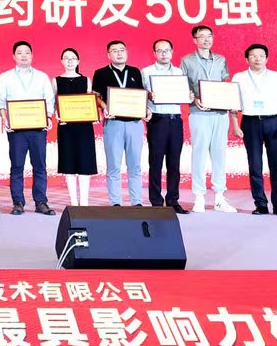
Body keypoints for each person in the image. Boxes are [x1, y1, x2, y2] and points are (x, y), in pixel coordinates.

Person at [232, 43, 277, 216]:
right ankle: (260, 204)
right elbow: (233, 104)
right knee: (255, 165)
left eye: (261, 56)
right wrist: (235, 125)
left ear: (267, 58)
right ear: (247, 59)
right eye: (253, 56)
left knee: (276, 164)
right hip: (250, 122)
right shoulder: (239, 77)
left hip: (273, 122)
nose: (257, 59)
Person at [180, 24, 236, 213]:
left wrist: (228, 100)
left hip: (220, 113)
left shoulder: (221, 59)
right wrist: (194, 99)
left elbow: (225, 83)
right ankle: (199, 197)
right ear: (195, 40)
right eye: (202, 36)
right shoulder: (187, 60)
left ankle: (219, 197)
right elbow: (183, 86)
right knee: (199, 153)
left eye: (209, 36)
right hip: (199, 113)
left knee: (219, 153)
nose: (206, 39)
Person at [0, 40, 55, 216]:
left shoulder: (42, 77)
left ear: (32, 55)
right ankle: (18, 202)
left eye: (27, 52)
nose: (23, 55)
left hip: (38, 129)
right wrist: (4, 116)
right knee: (17, 166)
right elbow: (0, 100)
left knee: (40, 166)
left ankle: (41, 202)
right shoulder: (5, 77)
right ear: (14, 56)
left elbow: (49, 99)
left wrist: (48, 116)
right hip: (17, 130)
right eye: (20, 52)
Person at [91, 40, 145, 207]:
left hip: (135, 124)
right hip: (114, 124)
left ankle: (136, 202)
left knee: (135, 165)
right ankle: (115, 202)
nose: (119, 53)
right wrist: (104, 106)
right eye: (115, 51)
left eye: (122, 50)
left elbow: (141, 95)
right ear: (109, 54)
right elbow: (95, 96)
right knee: (114, 165)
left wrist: (146, 108)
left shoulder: (135, 71)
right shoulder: (101, 73)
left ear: (126, 52)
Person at [143, 38, 189, 214]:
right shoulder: (146, 72)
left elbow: (183, 94)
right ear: (154, 53)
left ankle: (173, 200)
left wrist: (189, 96)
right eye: (160, 51)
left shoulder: (179, 72)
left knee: (174, 162)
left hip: (175, 119)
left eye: (167, 50)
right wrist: (148, 95)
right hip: (158, 120)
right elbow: (140, 95)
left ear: (172, 52)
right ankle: (156, 201)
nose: (164, 54)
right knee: (155, 162)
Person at [54, 47, 96, 207]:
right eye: (66, 58)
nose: (70, 61)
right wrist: (57, 115)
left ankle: (84, 203)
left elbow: (90, 102)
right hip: (66, 128)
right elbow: (53, 103)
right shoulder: (56, 81)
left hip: (84, 128)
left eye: (73, 58)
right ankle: (73, 202)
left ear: (78, 61)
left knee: (85, 164)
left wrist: (92, 115)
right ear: (61, 61)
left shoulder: (86, 80)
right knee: (69, 164)